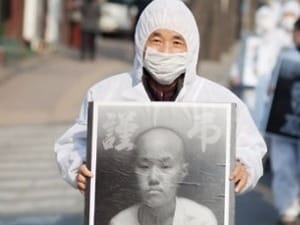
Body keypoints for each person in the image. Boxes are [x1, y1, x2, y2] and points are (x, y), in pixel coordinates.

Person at [54, 0, 266, 196]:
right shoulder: (105, 94)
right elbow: (73, 142)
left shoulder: (219, 101)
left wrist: (244, 167)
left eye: (176, 42)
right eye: (156, 40)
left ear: (191, 47)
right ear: (141, 42)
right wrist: (78, 167)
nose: (165, 52)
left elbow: (251, 147)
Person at [109, 127, 218, 225]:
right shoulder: (119, 222)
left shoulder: (202, 220)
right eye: (144, 166)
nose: (153, 178)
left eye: (165, 166)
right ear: (134, 170)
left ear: (183, 171)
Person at [268, 17, 300, 225]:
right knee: (284, 166)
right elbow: (271, 85)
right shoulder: (285, 57)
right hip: (283, 124)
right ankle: (287, 209)